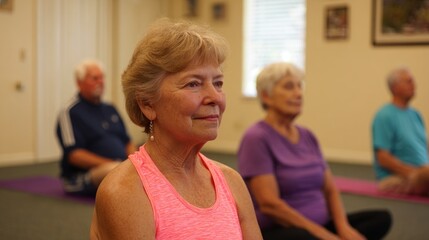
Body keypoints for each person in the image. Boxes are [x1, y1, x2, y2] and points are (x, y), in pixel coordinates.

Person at [90, 19, 262, 240]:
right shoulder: (125, 191)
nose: (215, 97)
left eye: (218, 83)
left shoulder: (232, 181)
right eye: (193, 84)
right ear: (148, 104)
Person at [238, 62, 392, 240]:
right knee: (302, 237)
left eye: (299, 86)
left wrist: (343, 228)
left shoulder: (307, 135)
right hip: (284, 229)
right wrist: (323, 235)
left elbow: (330, 189)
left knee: (381, 218)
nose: (298, 93)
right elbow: (270, 205)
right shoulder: (256, 137)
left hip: (321, 224)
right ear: (266, 96)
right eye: (289, 87)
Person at [56, 59, 136, 197]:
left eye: (102, 77)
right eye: (95, 78)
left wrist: (134, 162)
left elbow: (127, 142)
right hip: (85, 175)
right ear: (79, 83)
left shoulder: (110, 109)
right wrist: (116, 165)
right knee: (115, 171)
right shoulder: (70, 112)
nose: (101, 81)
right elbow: (74, 155)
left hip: (120, 167)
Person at [372, 67, 429, 196]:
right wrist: (415, 173)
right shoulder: (384, 115)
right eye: (408, 81)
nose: (414, 85)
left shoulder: (416, 115)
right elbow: (383, 158)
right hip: (397, 178)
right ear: (395, 87)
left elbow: (424, 147)